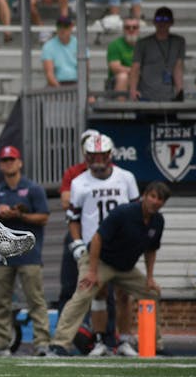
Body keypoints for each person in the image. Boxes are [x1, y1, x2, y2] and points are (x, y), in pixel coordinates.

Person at [49, 181, 170, 357]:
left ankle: (154, 345)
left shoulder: (158, 221)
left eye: (160, 199)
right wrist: (92, 271)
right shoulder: (124, 212)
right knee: (84, 292)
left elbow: (151, 249)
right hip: (100, 261)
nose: (155, 201)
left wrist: (150, 277)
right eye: (153, 196)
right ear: (144, 196)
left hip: (124, 268)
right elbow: (97, 238)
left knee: (152, 293)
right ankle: (60, 344)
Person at [67, 134, 140, 357]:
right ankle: (99, 340)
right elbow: (73, 217)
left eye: (101, 155)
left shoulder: (125, 177)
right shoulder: (79, 182)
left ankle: (125, 340)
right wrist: (78, 242)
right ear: (86, 157)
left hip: (122, 245)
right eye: (93, 156)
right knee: (97, 293)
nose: (97, 160)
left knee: (124, 294)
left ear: (109, 155)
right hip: (94, 246)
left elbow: (137, 212)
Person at [0, 145, 51, 356]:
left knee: (35, 299)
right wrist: (0, 214)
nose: (8, 163)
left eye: (12, 160)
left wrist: (20, 216)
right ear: (1, 165)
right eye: (5, 160)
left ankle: (42, 343)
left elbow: (44, 217)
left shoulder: (33, 189)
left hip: (29, 253)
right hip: (2, 254)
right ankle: (0, 342)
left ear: (19, 163)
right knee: (1, 301)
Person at [57, 128, 99, 314]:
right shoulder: (74, 172)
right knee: (69, 282)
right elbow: (67, 202)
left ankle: (103, 331)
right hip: (78, 231)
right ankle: (63, 331)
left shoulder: (110, 172)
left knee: (103, 285)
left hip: (101, 232)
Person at [129, 6, 185, 102]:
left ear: (171, 22)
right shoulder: (142, 43)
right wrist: (133, 90)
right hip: (146, 95)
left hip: (169, 95)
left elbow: (178, 66)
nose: (162, 22)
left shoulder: (179, 42)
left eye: (166, 19)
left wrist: (179, 90)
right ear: (154, 21)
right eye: (159, 19)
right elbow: (135, 67)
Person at [42, 15, 81, 88]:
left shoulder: (79, 44)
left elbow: (85, 71)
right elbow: (49, 74)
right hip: (56, 84)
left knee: (91, 99)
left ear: (71, 27)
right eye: (59, 26)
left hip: (76, 83)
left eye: (65, 26)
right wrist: (61, 90)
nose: (62, 29)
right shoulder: (48, 46)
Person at [106, 17, 139, 98]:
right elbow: (115, 67)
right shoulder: (115, 45)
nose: (131, 30)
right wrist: (135, 72)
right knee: (123, 77)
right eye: (127, 27)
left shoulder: (144, 45)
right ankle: (120, 109)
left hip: (140, 77)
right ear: (123, 29)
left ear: (139, 29)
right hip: (117, 80)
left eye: (134, 27)